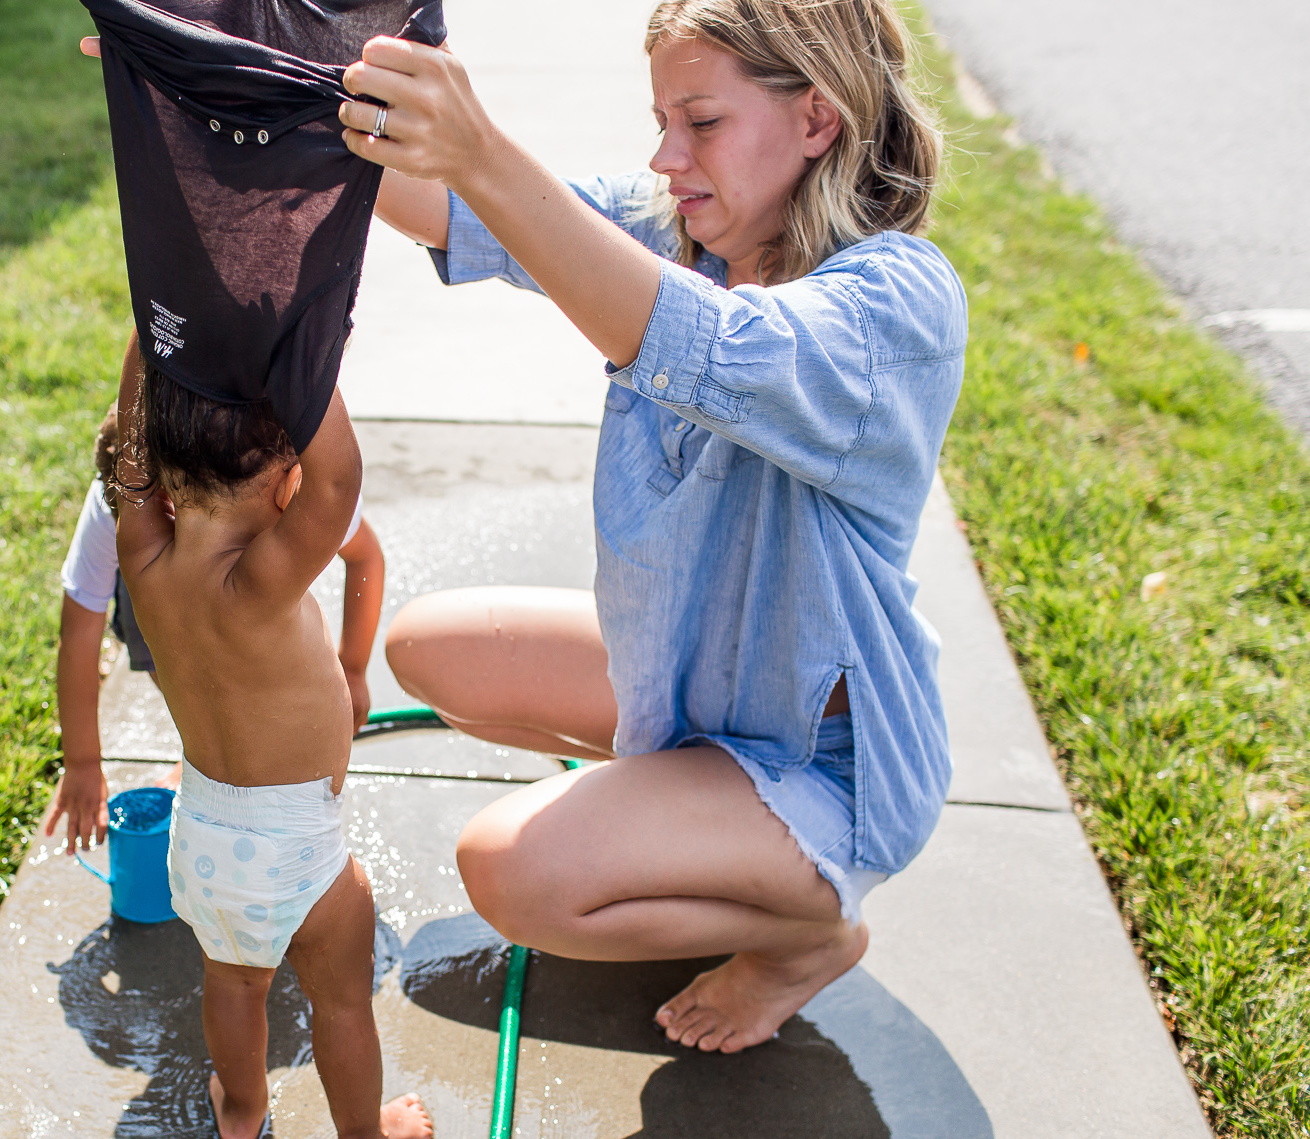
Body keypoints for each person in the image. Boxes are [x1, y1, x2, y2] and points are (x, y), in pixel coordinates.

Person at [338, 0, 965, 1053]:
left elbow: (696, 340)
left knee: (507, 870)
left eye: (700, 122)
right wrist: (221, 89)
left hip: (827, 765)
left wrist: (484, 150)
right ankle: (678, 826)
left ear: (817, 120)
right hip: (700, 678)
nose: (666, 154)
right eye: (660, 120)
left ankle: (805, 934)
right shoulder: (689, 226)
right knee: (425, 647)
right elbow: (444, 202)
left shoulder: (892, 304)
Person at [107, 335, 433, 1139]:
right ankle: (363, 1136)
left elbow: (131, 457)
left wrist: (154, 333)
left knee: (234, 983)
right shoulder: (260, 582)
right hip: (300, 852)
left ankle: (243, 1107)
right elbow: (340, 481)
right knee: (341, 1000)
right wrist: (301, 354)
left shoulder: (143, 557)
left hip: (206, 840)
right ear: (285, 482)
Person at [43, 402, 386, 855]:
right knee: (194, 664)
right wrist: (83, 762)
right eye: (154, 516)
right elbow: (79, 638)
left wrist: (354, 666)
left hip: (263, 577)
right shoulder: (118, 504)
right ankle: (207, 748)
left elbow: (364, 557)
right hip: (161, 594)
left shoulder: (285, 481)